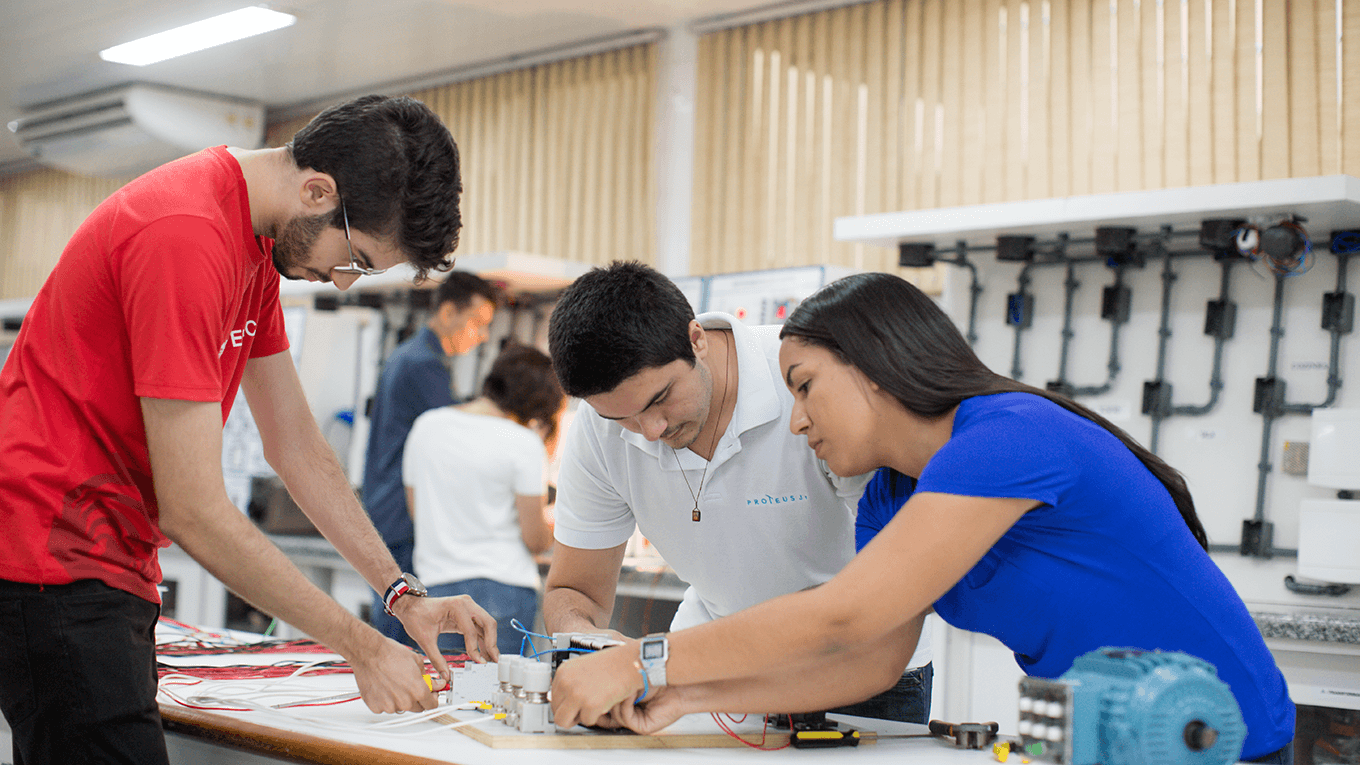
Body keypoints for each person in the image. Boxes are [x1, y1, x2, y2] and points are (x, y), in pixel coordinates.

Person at [550, 271, 1296, 765]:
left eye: (806, 388)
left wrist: (645, 660)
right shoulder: (890, 497)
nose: (798, 422)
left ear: (874, 364)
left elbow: (843, 614)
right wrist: (685, 697)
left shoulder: (1006, 437)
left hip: (1215, 728)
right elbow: (872, 658)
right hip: (1107, 732)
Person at [0, 95, 500, 765]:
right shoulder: (185, 233)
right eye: (355, 259)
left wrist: (401, 595)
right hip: (50, 558)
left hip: (107, 558)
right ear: (317, 190)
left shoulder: (256, 248)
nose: (347, 285)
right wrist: (362, 645)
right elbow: (196, 511)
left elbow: (296, 443)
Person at [543, 261, 933, 723]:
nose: (649, 430)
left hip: (856, 670)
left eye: (659, 399)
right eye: (620, 418)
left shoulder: (805, 384)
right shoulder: (600, 428)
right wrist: (595, 650)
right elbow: (574, 589)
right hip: (702, 668)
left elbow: (876, 610)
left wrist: (645, 662)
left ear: (696, 339)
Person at [364, 270, 499, 645]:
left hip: (388, 510)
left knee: (397, 620)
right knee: (402, 628)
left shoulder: (410, 356)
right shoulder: (423, 364)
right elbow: (457, 434)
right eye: (479, 322)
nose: (482, 335)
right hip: (401, 515)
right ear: (449, 311)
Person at [403, 344, 563, 657]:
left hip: (435, 589)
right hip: (504, 591)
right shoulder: (523, 443)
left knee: (439, 697)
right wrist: (556, 523)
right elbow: (535, 540)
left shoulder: (426, 427)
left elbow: (416, 512)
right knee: (498, 700)